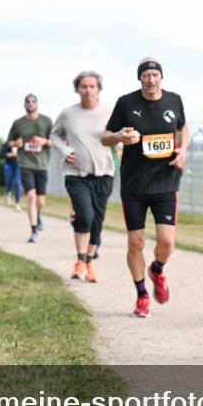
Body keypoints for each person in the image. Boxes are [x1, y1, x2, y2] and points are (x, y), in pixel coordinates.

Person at [103, 58, 188, 317]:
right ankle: (141, 295)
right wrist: (119, 137)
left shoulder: (174, 100)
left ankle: (158, 270)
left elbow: (182, 127)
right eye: (146, 75)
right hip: (134, 184)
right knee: (135, 242)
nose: (151, 80)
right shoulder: (126, 103)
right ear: (139, 79)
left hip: (165, 181)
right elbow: (105, 136)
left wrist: (183, 150)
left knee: (166, 241)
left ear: (161, 77)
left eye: (155, 75)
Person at [52, 70, 115, 283]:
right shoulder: (68, 114)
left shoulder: (108, 113)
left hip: (104, 173)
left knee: (97, 220)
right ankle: (79, 260)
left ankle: (88, 262)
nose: (88, 90)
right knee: (85, 216)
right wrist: (64, 151)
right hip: (76, 174)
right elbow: (55, 135)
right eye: (84, 87)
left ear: (98, 89)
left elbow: (118, 134)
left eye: (92, 86)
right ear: (77, 89)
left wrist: (122, 145)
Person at [7, 94, 53, 243]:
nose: (31, 104)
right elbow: (9, 142)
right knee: (31, 197)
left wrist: (44, 141)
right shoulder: (18, 123)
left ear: (37, 104)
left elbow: (55, 141)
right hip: (25, 163)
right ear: (24, 105)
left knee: (41, 201)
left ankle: (38, 215)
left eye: (33, 101)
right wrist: (16, 143)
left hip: (42, 164)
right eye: (28, 102)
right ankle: (33, 231)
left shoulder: (46, 122)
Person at [0, 138, 23, 212]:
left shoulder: (23, 144)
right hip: (8, 165)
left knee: (17, 183)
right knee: (8, 181)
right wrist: (9, 154)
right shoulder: (7, 143)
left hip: (19, 166)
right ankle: (8, 193)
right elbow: (1, 154)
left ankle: (17, 204)